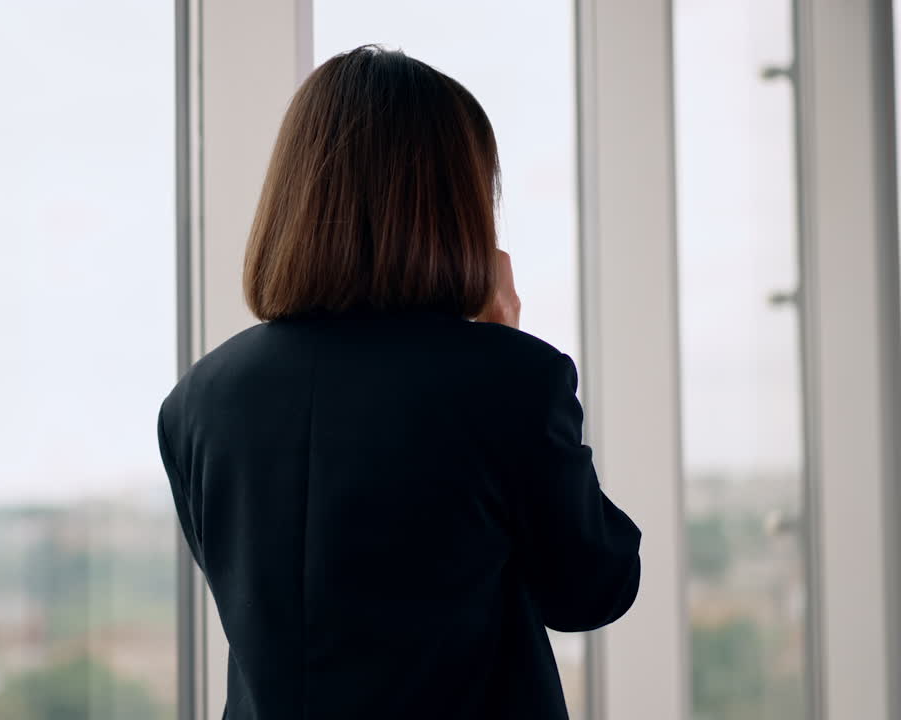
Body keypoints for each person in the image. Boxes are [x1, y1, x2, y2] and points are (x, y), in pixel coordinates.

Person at [156, 45, 641, 720]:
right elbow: (592, 588)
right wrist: (504, 341)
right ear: (453, 204)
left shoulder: (198, 401)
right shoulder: (509, 381)